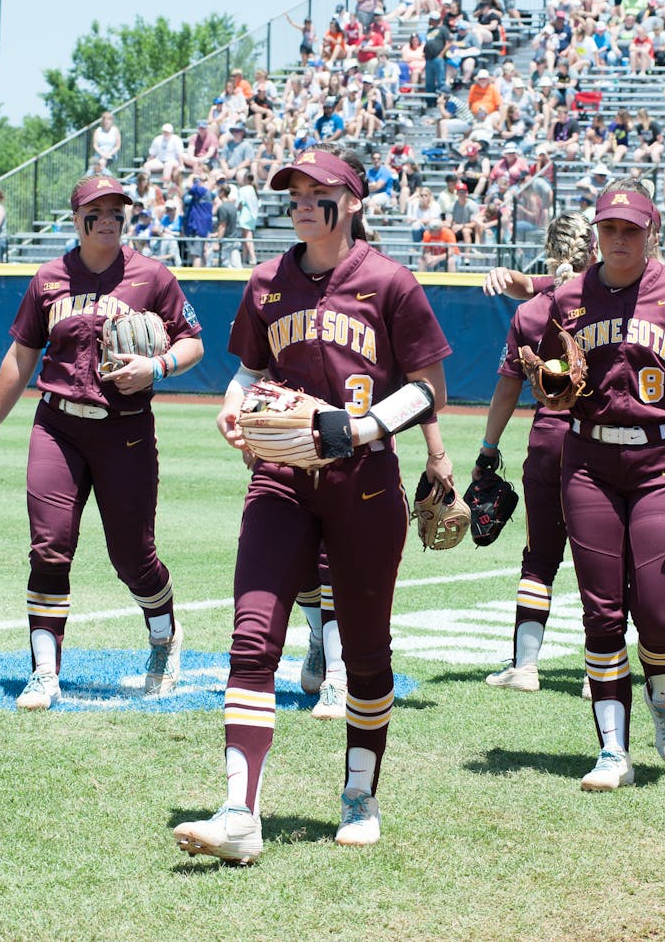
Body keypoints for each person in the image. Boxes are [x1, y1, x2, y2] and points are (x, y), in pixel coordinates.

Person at [172, 144, 451, 864]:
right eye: (292, 190)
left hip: (365, 483)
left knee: (363, 653)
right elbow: (249, 369)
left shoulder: (389, 282)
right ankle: (239, 813)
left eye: (315, 189)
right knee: (252, 637)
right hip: (280, 479)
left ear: (351, 201)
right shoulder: (267, 281)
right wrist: (233, 407)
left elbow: (427, 389)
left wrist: (361, 425)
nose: (299, 200)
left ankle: (360, 792)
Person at [476, 199, 665, 695]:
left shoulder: (541, 304)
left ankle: (528, 663)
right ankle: (614, 665)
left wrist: (487, 450)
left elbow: (509, 381)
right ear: (593, 241)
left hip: (554, 439)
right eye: (608, 230)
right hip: (591, 444)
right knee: (625, 562)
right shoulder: (582, 298)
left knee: (542, 557)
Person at [519, 181, 665, 790]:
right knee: (601, 612)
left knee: (658, 613)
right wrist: (552, 381)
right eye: (609, 228)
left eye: (630, 229)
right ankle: (613, 749)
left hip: (664, 459)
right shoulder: (568, 298)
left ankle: (663, 697)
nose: (618, 239)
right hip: (587, 461)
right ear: (596, 233)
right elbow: (554, 376)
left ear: (651, 233)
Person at [0, 175, 205, 712]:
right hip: (58, 427)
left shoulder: (152, 276)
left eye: (117, 210)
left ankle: (165, 637)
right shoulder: (50, 278)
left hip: (125, 430)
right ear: (76, 218)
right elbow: (22, 356)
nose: (108, 219)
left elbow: (193, 342)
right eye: (95, 211)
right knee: (49, 546)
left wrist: (157, 365)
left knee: (133, 558)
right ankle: (45, 672)